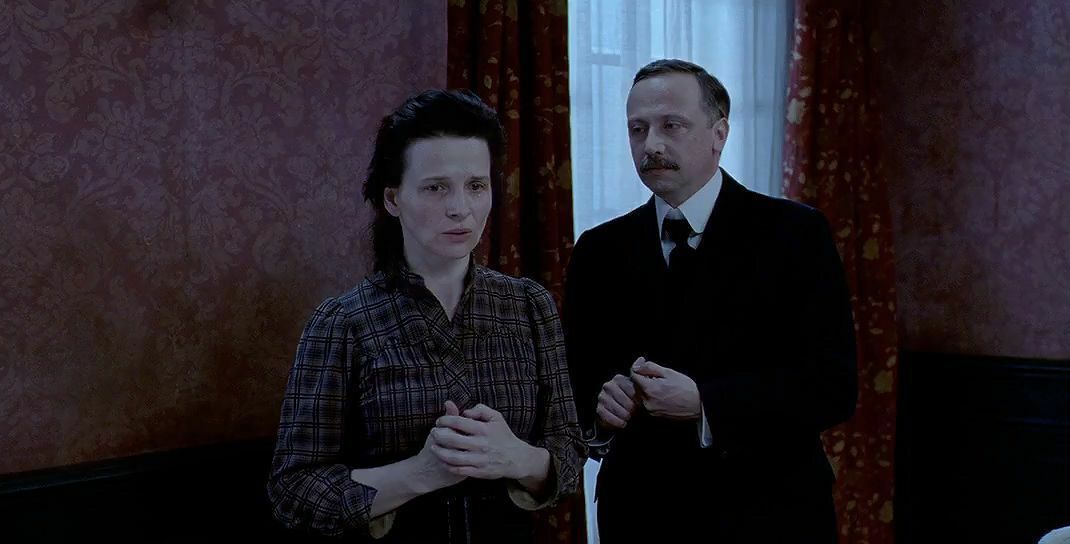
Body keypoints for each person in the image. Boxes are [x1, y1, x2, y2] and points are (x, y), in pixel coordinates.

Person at [267, 89, 584, 542]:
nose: (460, 208)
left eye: (476, 186)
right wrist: (420, 472)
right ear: (393, 198)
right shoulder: (343, 322)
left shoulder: (529, 306)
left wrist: (518, 458)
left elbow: (569, 455)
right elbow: (293, 491)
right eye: (436, 187)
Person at [564, 59, 858, 543]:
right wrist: (601, 409)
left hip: (769, 515)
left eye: (671, 125)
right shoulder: (598, 250)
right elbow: (575, 387)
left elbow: (833, 387)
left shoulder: (795, 234)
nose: (651, 144)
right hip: (641, 516)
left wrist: (706, 403)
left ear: (719, 134)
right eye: (638, 129)